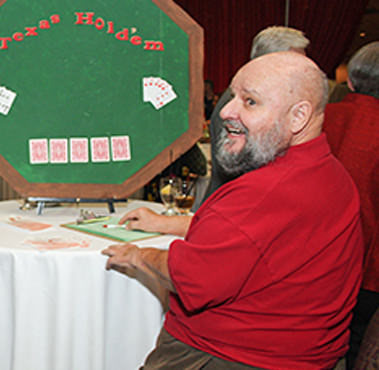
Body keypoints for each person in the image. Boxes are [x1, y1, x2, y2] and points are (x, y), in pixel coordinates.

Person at [102, 52, 363, 369]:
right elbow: (257, 240)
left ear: (299, 117)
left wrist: (138, 256)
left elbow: (192, 277)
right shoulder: (332, 174)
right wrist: (169, 225)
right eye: (232, 95)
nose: (226, 110)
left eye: (250, 101)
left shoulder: (264, 192)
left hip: (225, 356)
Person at [197, 26, 309, 208]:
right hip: (233, 208)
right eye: (296, 64)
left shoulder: (267, 101)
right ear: (268, 61)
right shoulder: (238, 103)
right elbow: (243, 170)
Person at [322, 41, 379, 369]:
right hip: (367, 270)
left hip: (308, 258)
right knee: (358, 347)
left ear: (351, 80)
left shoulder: (318, 118)